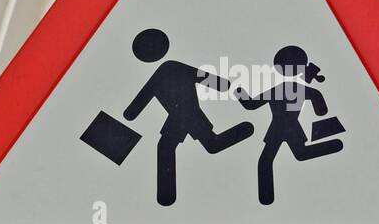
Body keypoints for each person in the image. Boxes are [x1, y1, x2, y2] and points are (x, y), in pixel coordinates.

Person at [123, 28, 254, 206]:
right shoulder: (169, 69)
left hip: (186, 114)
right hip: (185, 115)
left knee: (168, 147)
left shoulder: (168, 69)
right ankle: (245, 129)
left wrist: (131, 114)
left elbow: (143, 97)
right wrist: (130, 113)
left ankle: (166, 196)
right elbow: (145, 96)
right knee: (208, 145)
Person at [235, 45, 343, 205]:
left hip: (279, 128)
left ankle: (266, 198)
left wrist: (239, 92)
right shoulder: (301, 89)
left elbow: (251, 104)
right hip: (291, 128)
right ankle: (334, 145)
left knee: (266, 160)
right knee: (299, 154)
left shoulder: (278, 89)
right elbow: (321, 110)